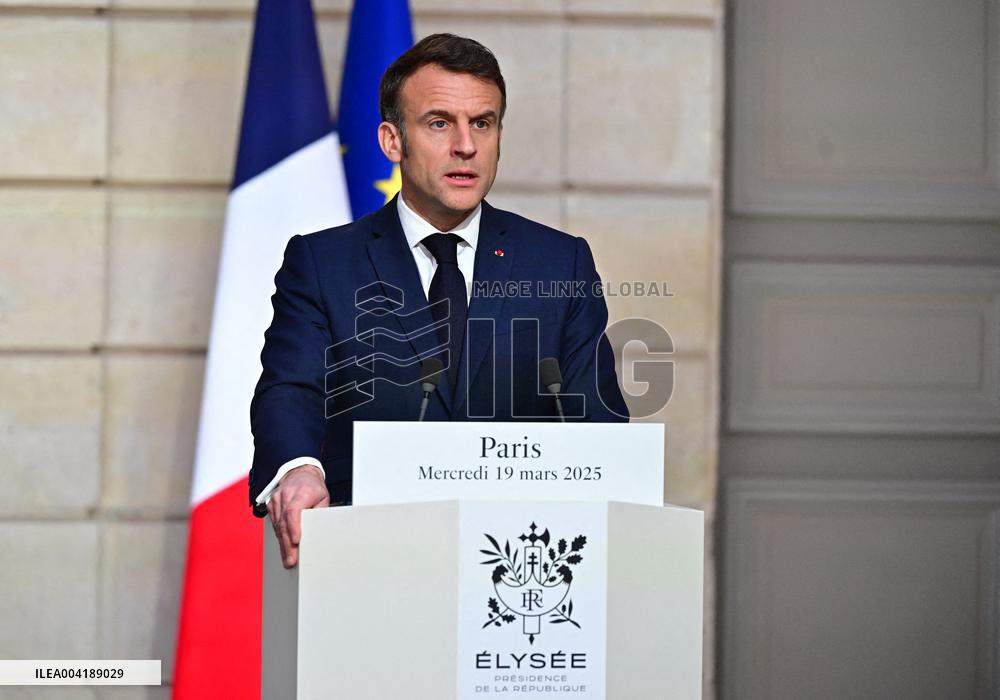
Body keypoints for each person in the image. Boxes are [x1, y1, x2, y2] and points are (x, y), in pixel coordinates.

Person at [249, 33, 628, 568]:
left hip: (521, 567)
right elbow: (290, 388)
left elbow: (600, 428)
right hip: (366, 559)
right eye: (438, 123)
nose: (466, 146)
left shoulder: (559, 264)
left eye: (483, 123)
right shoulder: (321, 263)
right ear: (391, 141)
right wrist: (297, 468)